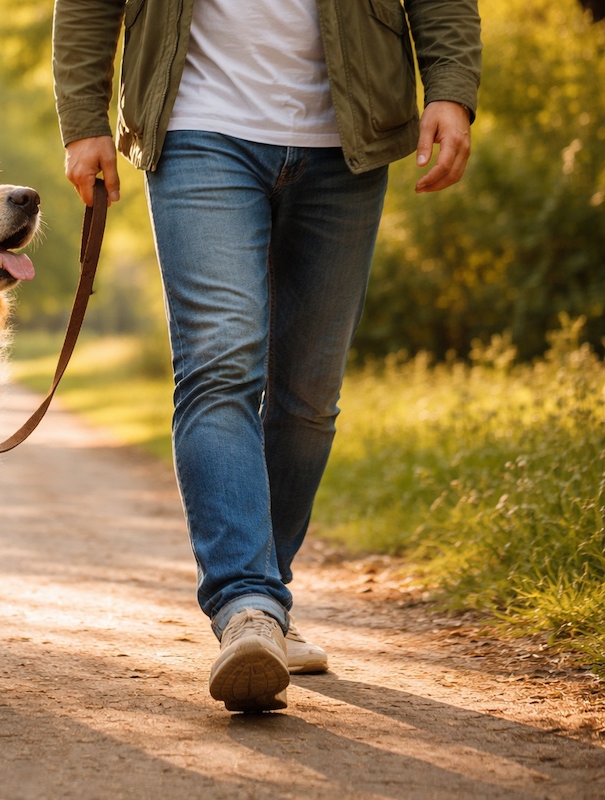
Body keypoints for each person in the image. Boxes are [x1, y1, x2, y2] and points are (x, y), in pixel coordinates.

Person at [52, 0, 481, 713]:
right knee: (219, 362)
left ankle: (267, 605)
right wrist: (85, 119)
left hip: (348, 131)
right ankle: (245, 604)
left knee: (308, 395)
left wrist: (451, 89)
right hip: (196, 125)